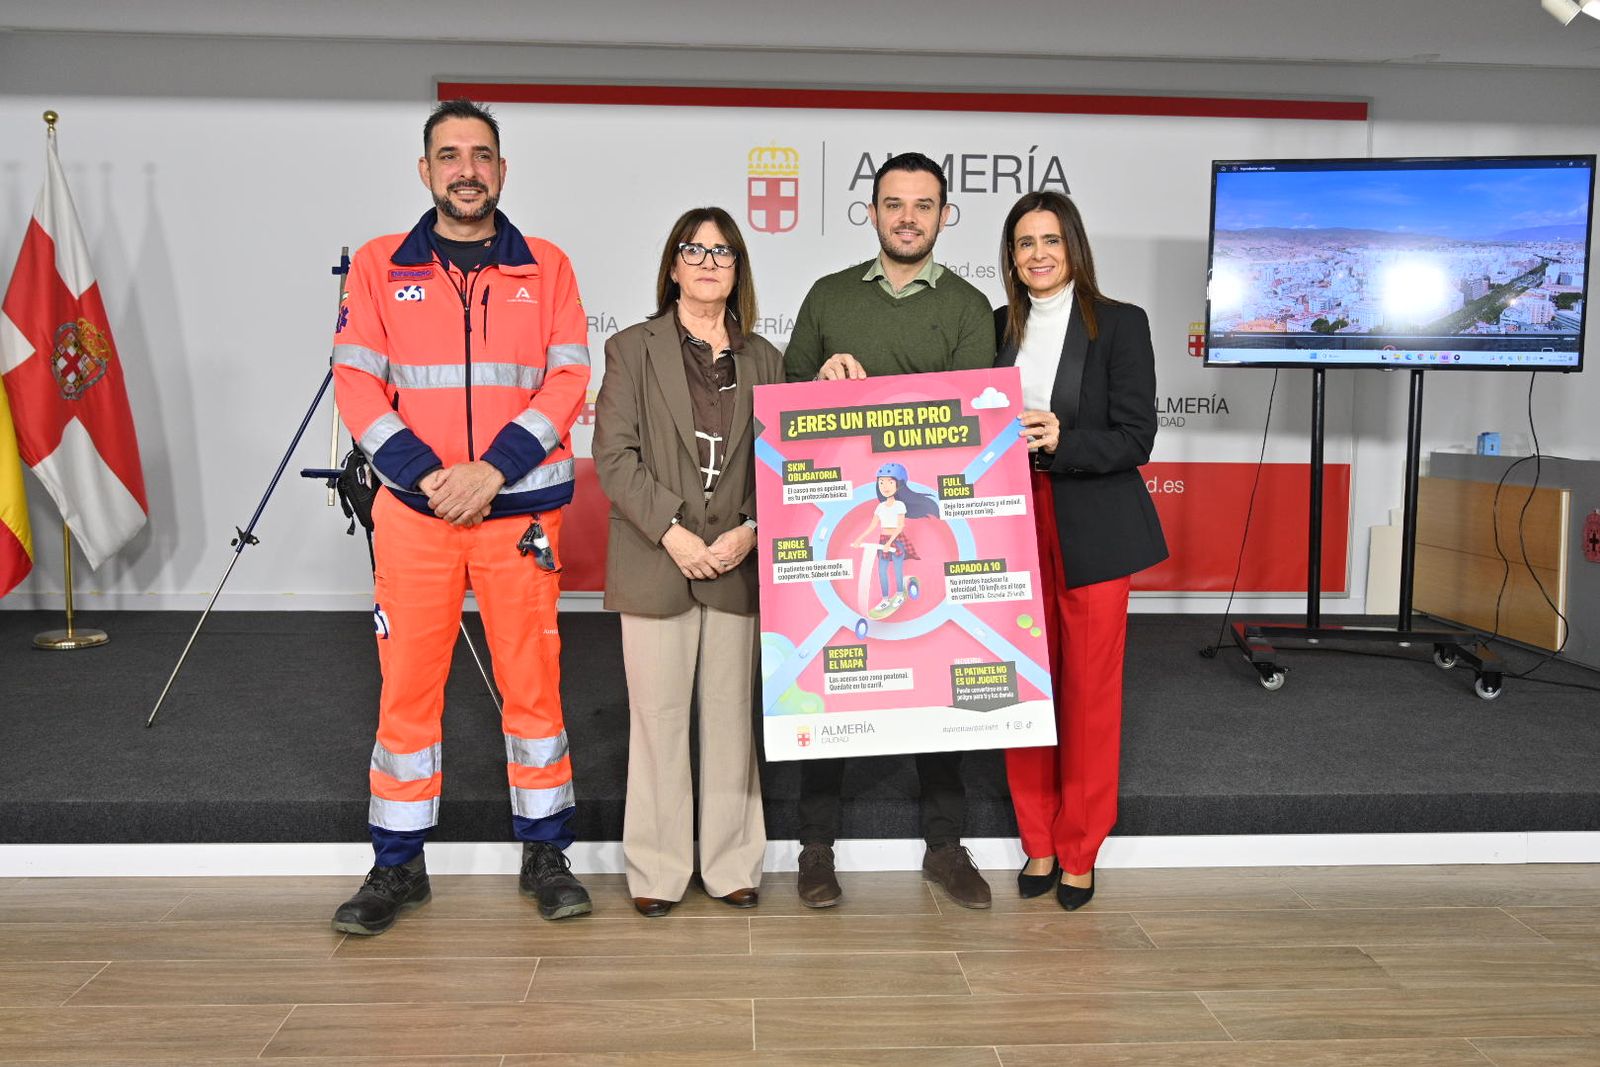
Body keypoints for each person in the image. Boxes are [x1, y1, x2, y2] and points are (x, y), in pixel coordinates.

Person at [329, 99, 593, 935]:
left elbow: (568, 378)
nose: (466, 169)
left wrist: (491, 471)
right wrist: (431, 477)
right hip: (417, 513)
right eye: (450, 155)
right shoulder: (378, 264)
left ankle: (545, 853)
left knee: (533, 684)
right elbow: (356, 384)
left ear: (502, 170)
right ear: (426, 171)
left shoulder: (547, 266)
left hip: (517, 514)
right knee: (407, 690)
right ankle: (398, 864)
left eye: (481, 155)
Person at [784, 152, 996, 910]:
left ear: (944, 216)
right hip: (837, 530)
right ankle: (815, 849)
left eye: (924, 205)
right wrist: (816, 388)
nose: (908, 216)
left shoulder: (971, 307)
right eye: (894, 203)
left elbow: (971, 427)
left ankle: (945, 846)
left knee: (938, 674)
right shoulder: (828, 296)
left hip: (928, 533)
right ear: (870, 213)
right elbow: (785, 409)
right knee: (833, 680)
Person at [593, 207, 782, 917]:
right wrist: (674, 533)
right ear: (672, 266)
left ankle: (733, 860)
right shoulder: (630, 348)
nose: (707, 261)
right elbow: (614, 455)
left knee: (733, 722)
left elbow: (780, 458)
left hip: (736, 560)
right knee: (659, 721)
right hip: (657, 559)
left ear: (738, 270)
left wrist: (752, 530)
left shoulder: (764, 357)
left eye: (722, 251)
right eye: (693, 249)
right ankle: (659, 867)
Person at [994, 190, 1167, 910]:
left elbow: (1137, 436)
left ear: (1075, 247)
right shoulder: (996, 324)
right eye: (1024, 242)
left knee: (1089, 694)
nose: (1038, 254)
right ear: (1010, 254)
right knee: (1021, 688)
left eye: (1051, 240)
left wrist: (1065, 439)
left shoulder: (1121, 324)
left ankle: (1080, 847)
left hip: (1091, 517)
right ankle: (1036, 838)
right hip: (1007, 521)